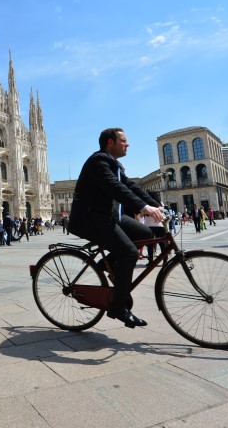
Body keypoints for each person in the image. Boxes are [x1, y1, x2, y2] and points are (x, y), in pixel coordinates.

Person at [69, 128, 164, 328]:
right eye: (123, 140)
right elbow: (115, 188)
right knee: (129, 253)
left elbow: (131, 187)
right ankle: (118, 307)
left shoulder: (115, 164)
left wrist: (154, 205)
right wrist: (143, 207)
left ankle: (106, 263)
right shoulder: (99, 162)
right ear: (110, 142)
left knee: (146, 233)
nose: (127, 144)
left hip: (107, 216)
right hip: (89, 219)